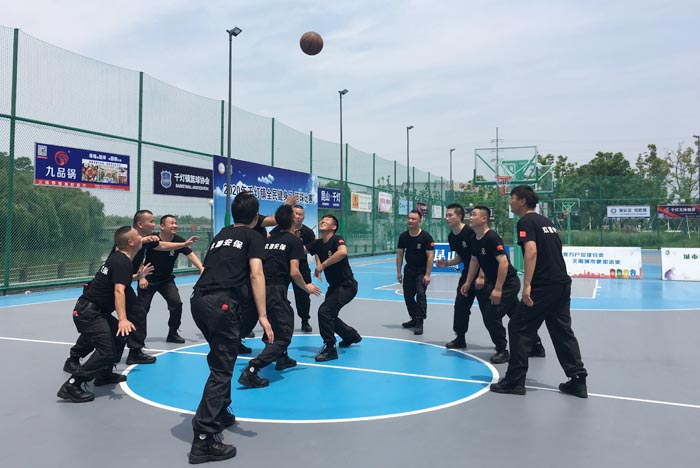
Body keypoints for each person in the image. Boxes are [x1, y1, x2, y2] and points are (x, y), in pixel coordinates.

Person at [188, 191, 274, 464]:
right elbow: (256, 274)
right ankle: (203, 439)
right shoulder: (253, 237)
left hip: (199, 301)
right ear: (256, 216)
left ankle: (221, 411)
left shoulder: (222, 235)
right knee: (222, 369)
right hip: (221, 304)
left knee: (219, 357)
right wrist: (263, 315)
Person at [62, 210, 198, 371]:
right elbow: (118, 288)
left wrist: (183, 245)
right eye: (151, 221)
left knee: (138, 314)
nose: (153, 225)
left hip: (122, 283)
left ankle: (134, 351)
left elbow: (161, 246)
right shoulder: (125, 246)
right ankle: (75, 358)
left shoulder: (141, 241)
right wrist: (122, 318)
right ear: (139, 226)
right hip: (109, 289)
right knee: (100, 327)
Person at [490, 185, 588, 397]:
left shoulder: (525, 222)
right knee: (562, 331)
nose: (510, 202)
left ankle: (515, 381)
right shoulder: (547, 222)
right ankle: (578, 380)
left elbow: (531, 251)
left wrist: (527, 284)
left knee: (518, 327)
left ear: (522, 201)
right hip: (561, 283)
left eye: (512, 198)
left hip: (544, 286)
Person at [238, 205, 321, 388]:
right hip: (275, 290)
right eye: (295, 215)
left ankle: (282, 358)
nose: (298, 217)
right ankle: (252, 369)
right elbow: (294, 272)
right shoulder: (294, 241)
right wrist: (306, 287)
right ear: (292, 220)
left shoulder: (267, 240)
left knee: (276, 321)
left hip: (259, 289)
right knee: (284, 334)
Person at [56, 226, 141, 403]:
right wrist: (123, 319)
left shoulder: (119, 259)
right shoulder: (122, 261)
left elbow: (117, 280)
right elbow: (119, 291)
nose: (141, 237)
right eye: (138, 235)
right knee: (106, 351)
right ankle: (72, 385)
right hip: (88, 312)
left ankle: (104, 374)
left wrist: (138, 276)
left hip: (93, 311)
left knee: (120, 336)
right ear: (131, 242)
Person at [138, 214, 204, 343]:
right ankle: (137, 340)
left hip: (166, 280)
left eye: (176, 223)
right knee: (142, 309)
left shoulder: (178, 240)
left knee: (176, 304)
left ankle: (173, 333)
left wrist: (201, 268)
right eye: (171, 223)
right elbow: (139, 257)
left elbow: (190, 254)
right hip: (149, 278)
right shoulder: (152, 239)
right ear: (162, 226)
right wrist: (142, 277)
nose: (175, 225)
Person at [306, 214, 362, 362]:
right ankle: (351, 336)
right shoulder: (317, 243)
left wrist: (322, 265)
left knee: (324, 312)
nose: (323, 221)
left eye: (327, 220)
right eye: (322, 220)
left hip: (347, 285)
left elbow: (342, 252)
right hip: (334, 287)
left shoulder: (337, 239)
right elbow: (301, 250)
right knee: (330, 316)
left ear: (334, 227)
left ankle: (330, 348)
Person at [436, 203, 489, 349]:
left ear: (459, 216)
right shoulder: (452, 237)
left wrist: (481, 276)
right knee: (460, 306)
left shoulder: (471, 232)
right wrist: (447, 263)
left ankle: (502, 345)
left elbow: (482, 256)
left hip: (483, 273)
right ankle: (460, 338)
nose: (447, 218)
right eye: (446, 215)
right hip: (467, 274)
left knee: (489, 311)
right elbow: (461, 257)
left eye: (450, 215)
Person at [271, 204, 316, 333]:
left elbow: (314, 248)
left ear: (303, 217)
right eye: (295, 213)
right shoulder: (279, 229)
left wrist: (319, 266)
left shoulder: (308, 232)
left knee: (303, 296)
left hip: (301, 267)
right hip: (283, 267)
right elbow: (269, 238)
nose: (297, 216)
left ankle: (305, 320)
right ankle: (276, 322)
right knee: (278, 294)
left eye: (300, 214)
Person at [396, 209, 434, 335]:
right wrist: (399, 272)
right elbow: (400, 254)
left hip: (421, 271)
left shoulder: (426, 237)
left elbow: (430, 257)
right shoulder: (403, 236)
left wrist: (427, 274)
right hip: (409, 270)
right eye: (409, 218)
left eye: (413, 219)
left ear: (419, 221)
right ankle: (413, 318)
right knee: (408, 296)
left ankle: (419, 322)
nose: (410, 221)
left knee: (421, 294)